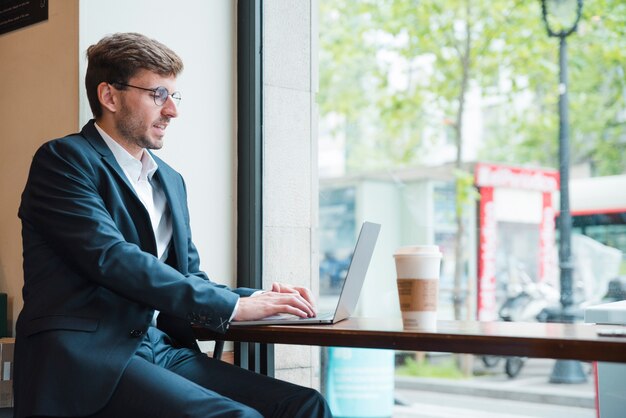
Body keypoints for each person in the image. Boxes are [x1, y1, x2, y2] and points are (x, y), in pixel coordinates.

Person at [14, 32, 332, 418]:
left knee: (303, 404)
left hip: (156, 346)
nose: (172, 111)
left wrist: (262, 300)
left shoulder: (170, 180)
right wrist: (233, 307)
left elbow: (187, 276)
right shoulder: (64, 160)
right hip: (86, 358)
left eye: (173, 97)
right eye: (157, 95)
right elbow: (112, 259)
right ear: (109, 96)